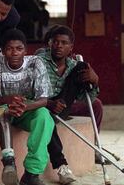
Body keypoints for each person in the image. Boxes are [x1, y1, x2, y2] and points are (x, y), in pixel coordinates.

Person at [36, 25, 103, 184]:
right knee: (48, 118)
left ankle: (94, 147)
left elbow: (86, 97)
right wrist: (50, 103)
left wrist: (95, 81)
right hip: (44, 103)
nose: (59, 45)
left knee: (97, 104)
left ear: (71, 47)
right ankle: (61, 166)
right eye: (56, 42)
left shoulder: (74, 65)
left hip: (64, 104)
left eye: (64, 43)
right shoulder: (39, 59)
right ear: (50, 44)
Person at [0, 29, 54, 185]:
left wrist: (24, 107)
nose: (14, 53)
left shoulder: (35, 63)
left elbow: (43, 99)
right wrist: (9, 101)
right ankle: (9, 162)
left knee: (44, 117)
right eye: (10, 49)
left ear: (26, 50)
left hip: (28, 108)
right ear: (3, 51)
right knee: (0, 112)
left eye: (19, 49)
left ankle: (32, 173)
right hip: (3, 107)